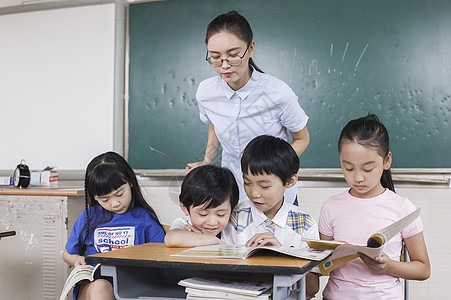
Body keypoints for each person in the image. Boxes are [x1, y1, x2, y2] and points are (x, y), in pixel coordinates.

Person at [188, 10, 310, 204]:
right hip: (232, 188)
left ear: (250, 48)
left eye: (234, 55)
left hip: (274, 191)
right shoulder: (206, 92)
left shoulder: (277, 93)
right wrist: (206, 161)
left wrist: (273, 168)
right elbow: (215, 125)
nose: (225, 65)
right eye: (215, 57)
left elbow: (302, 139)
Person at [318, 114, 431, 300]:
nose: (358, 177)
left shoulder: (402, 208)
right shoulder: (331, 206)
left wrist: (389, 266)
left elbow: (423, 269)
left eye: (367, 169)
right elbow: (325, 267)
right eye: (348, 168)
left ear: (387, 161)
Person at [222, 135, 319, 297]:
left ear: (289, 181)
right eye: (247, 183)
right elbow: (220, 275)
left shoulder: (305, 224)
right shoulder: (235, 217)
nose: (254, 193)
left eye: (264, 186)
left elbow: (312, 288)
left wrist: (283, 258)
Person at [62, 152, 165, 300]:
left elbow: (161, 257)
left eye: (120, 194)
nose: (115, 203)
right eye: (105, 199)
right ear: (95, 197)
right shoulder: (88, 217)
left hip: (132, 284)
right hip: (93, 285)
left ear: (130, 182)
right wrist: (76, 260)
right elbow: (67, 253)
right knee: (101, 288)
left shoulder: (143, 218)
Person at [165, 165, 239, 247]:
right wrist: (216, 241)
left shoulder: (234, 227)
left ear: (233, 209)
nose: (212, 222)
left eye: (221, 214)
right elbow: (171, 239)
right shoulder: (184, 225)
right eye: (203, 214)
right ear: (185, 208)